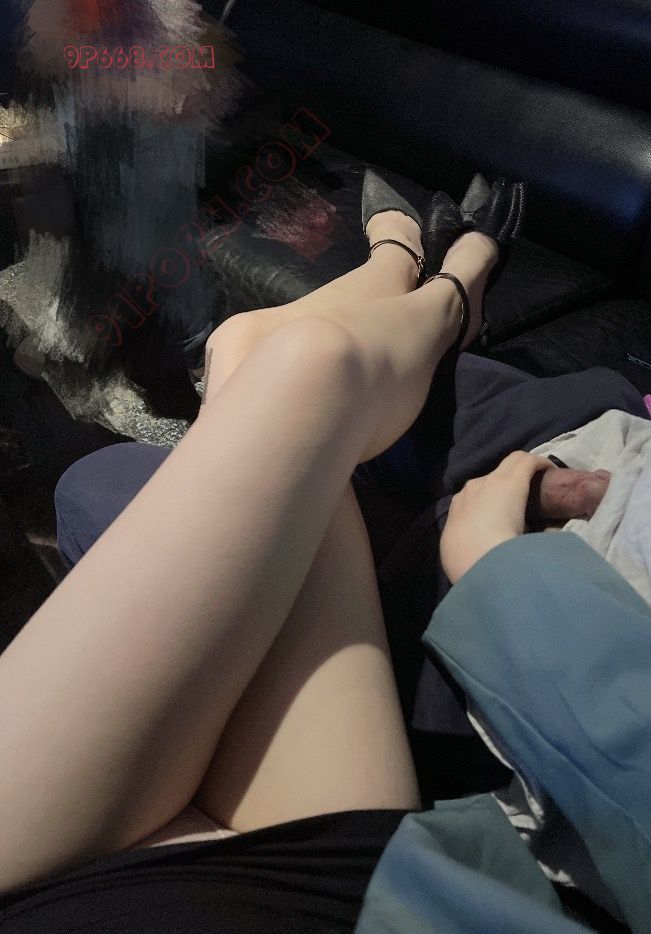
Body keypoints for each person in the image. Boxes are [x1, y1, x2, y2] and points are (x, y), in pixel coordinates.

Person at [0, 170, 534, 930]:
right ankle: (447, 293)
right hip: (309, 899)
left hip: (65, 892)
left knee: (242, 341)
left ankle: (405, 268)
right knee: (308, 362)